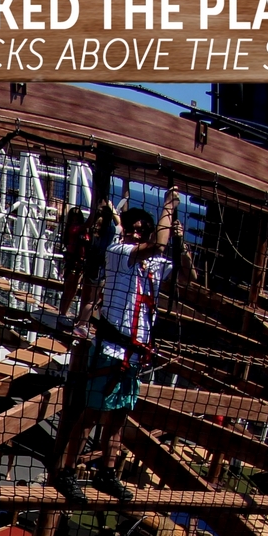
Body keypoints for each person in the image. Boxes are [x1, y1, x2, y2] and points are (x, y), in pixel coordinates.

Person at [50, 190, 192, 507]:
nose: (137, 233)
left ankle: (107, 471)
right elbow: (156, 246)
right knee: (90, 414)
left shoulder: (153, 264)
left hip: (134, 354)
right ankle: (67, 471)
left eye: (144, 229)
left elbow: (187, 277)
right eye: (134, 228)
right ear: (124, 230)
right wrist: (169, 206)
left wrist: (181, 243)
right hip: (111, 348)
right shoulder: (119, 251)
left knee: (118, 417)